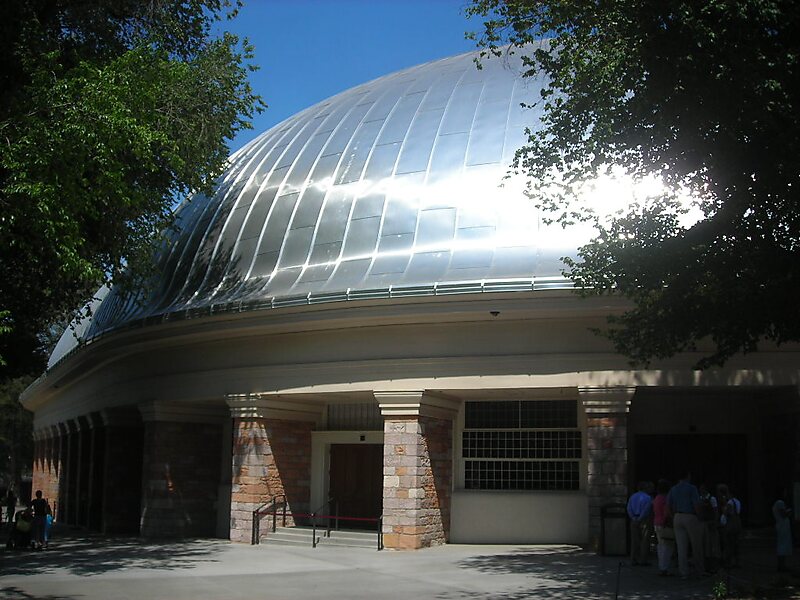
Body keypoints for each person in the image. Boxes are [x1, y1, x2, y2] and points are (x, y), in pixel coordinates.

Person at [667, 471, 706, 578]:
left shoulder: (673, 489)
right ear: (688, 476)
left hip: (677, 516)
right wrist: (700, 517)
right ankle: (699, 570)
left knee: (681, 547)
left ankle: (684, 572)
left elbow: (668, 505)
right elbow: (696, 504)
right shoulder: (692, 488)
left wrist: (673, 516)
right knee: (696, 545)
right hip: (690, 516)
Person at [627, 480, 654, 566]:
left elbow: (628, 508)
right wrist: (640, 518)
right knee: (645, 540)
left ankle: (633, 559)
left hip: (634, 519)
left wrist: (633, 517)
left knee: (634, 540)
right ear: (645, 488)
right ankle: (643, 560)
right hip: (644, 520)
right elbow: (646, 510)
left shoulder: (632, 496)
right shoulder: (648, 498)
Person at [653, 478, 676, 576]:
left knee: (661, 546)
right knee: (668, 547)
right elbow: (666, 512)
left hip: (657, 522)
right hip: (664, 524)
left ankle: (661, 567)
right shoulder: (665, 499)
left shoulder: (657, 498)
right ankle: (665, 568)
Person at [717, 483, 742, 569]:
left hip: (731, 525)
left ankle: (729, 562)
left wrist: (724, 509)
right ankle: (737, 561)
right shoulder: (738, 501)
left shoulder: (730, 503)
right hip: (737, 524)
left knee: (729, 543)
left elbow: (728, 513)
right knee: (736, 543)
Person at [699, 483, 720, 572]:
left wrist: (715, 522)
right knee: (704, 544)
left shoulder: (712, 499)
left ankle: (713, 565)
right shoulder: (700, 498)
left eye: (702, 488)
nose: (701, 490)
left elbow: (716, 511)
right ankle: (705, 564)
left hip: (710, 523)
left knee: (711, 545)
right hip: (702, 523)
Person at [773, 488, 793, 572]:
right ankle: (781, 565)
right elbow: (783, 514)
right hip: (782, 526)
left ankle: (782, 565)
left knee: (783, 544)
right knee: (782, 545)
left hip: (781, 525)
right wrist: (789, 511)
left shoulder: (777, 503)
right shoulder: (780, 502)